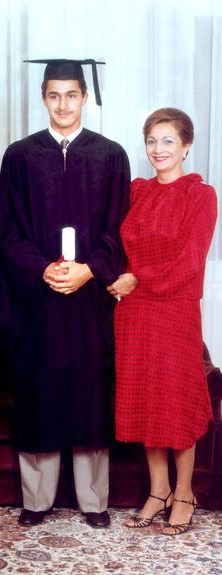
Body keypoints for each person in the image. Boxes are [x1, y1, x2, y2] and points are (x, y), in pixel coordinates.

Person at [0, 59, 130, 528]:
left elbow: (120, 226)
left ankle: (94, 502)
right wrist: (44, 269)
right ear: (42, 98)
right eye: (53, 95)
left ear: (84, 97)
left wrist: (89, 270)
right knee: (38, 391)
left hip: (90, 299)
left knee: (90, 392)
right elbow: (8, 230)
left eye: (71, 94)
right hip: (38, 300)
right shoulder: (20, 156)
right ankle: (37, 501)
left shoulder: (110, 155)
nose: (63, 104)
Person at [108, 108, 217, 535]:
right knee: (145, 399)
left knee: (175, 400)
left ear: (187, 146)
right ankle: (159, 490)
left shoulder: (200, 196)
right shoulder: (137, 191)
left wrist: (136, 278)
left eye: (168, 141)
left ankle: (184, 493)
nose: (159, 149)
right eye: (152, 141)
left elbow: (189, 262)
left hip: (174, 309)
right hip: (134, 312)